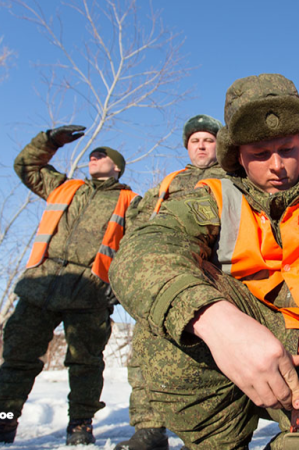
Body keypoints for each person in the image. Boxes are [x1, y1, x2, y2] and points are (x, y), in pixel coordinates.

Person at [109, 74, 299, 449]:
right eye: (259, 153)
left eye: (287, 149)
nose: (277, 165)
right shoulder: (211, 197)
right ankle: (218, 440)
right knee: (169, 306)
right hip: (231, 357)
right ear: (236, 155)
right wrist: (214, 321)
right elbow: (143, 253)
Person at [0, 125, 140, 450]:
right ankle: (0, 422)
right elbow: (27, 166)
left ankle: (81, 424)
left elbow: (138, 248)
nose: (94, 156)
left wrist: (118, 288)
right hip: (40, 286)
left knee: (86, 362)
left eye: (103, 155)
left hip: (90, 291)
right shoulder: (65, 188)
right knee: (18, 357)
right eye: (93, 154)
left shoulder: (131, 202)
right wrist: (50, 141)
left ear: (117, 166)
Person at [115, 114, 226, 450]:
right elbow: (139, 225)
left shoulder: (233, 175)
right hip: (167, 273)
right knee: (147, 351)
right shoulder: (168, 184)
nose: (202, 145)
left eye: (208, 139)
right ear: (188, 147)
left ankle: (218, 431)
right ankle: (149, 428)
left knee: (219, 351)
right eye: (195, 141)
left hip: (220, 275)